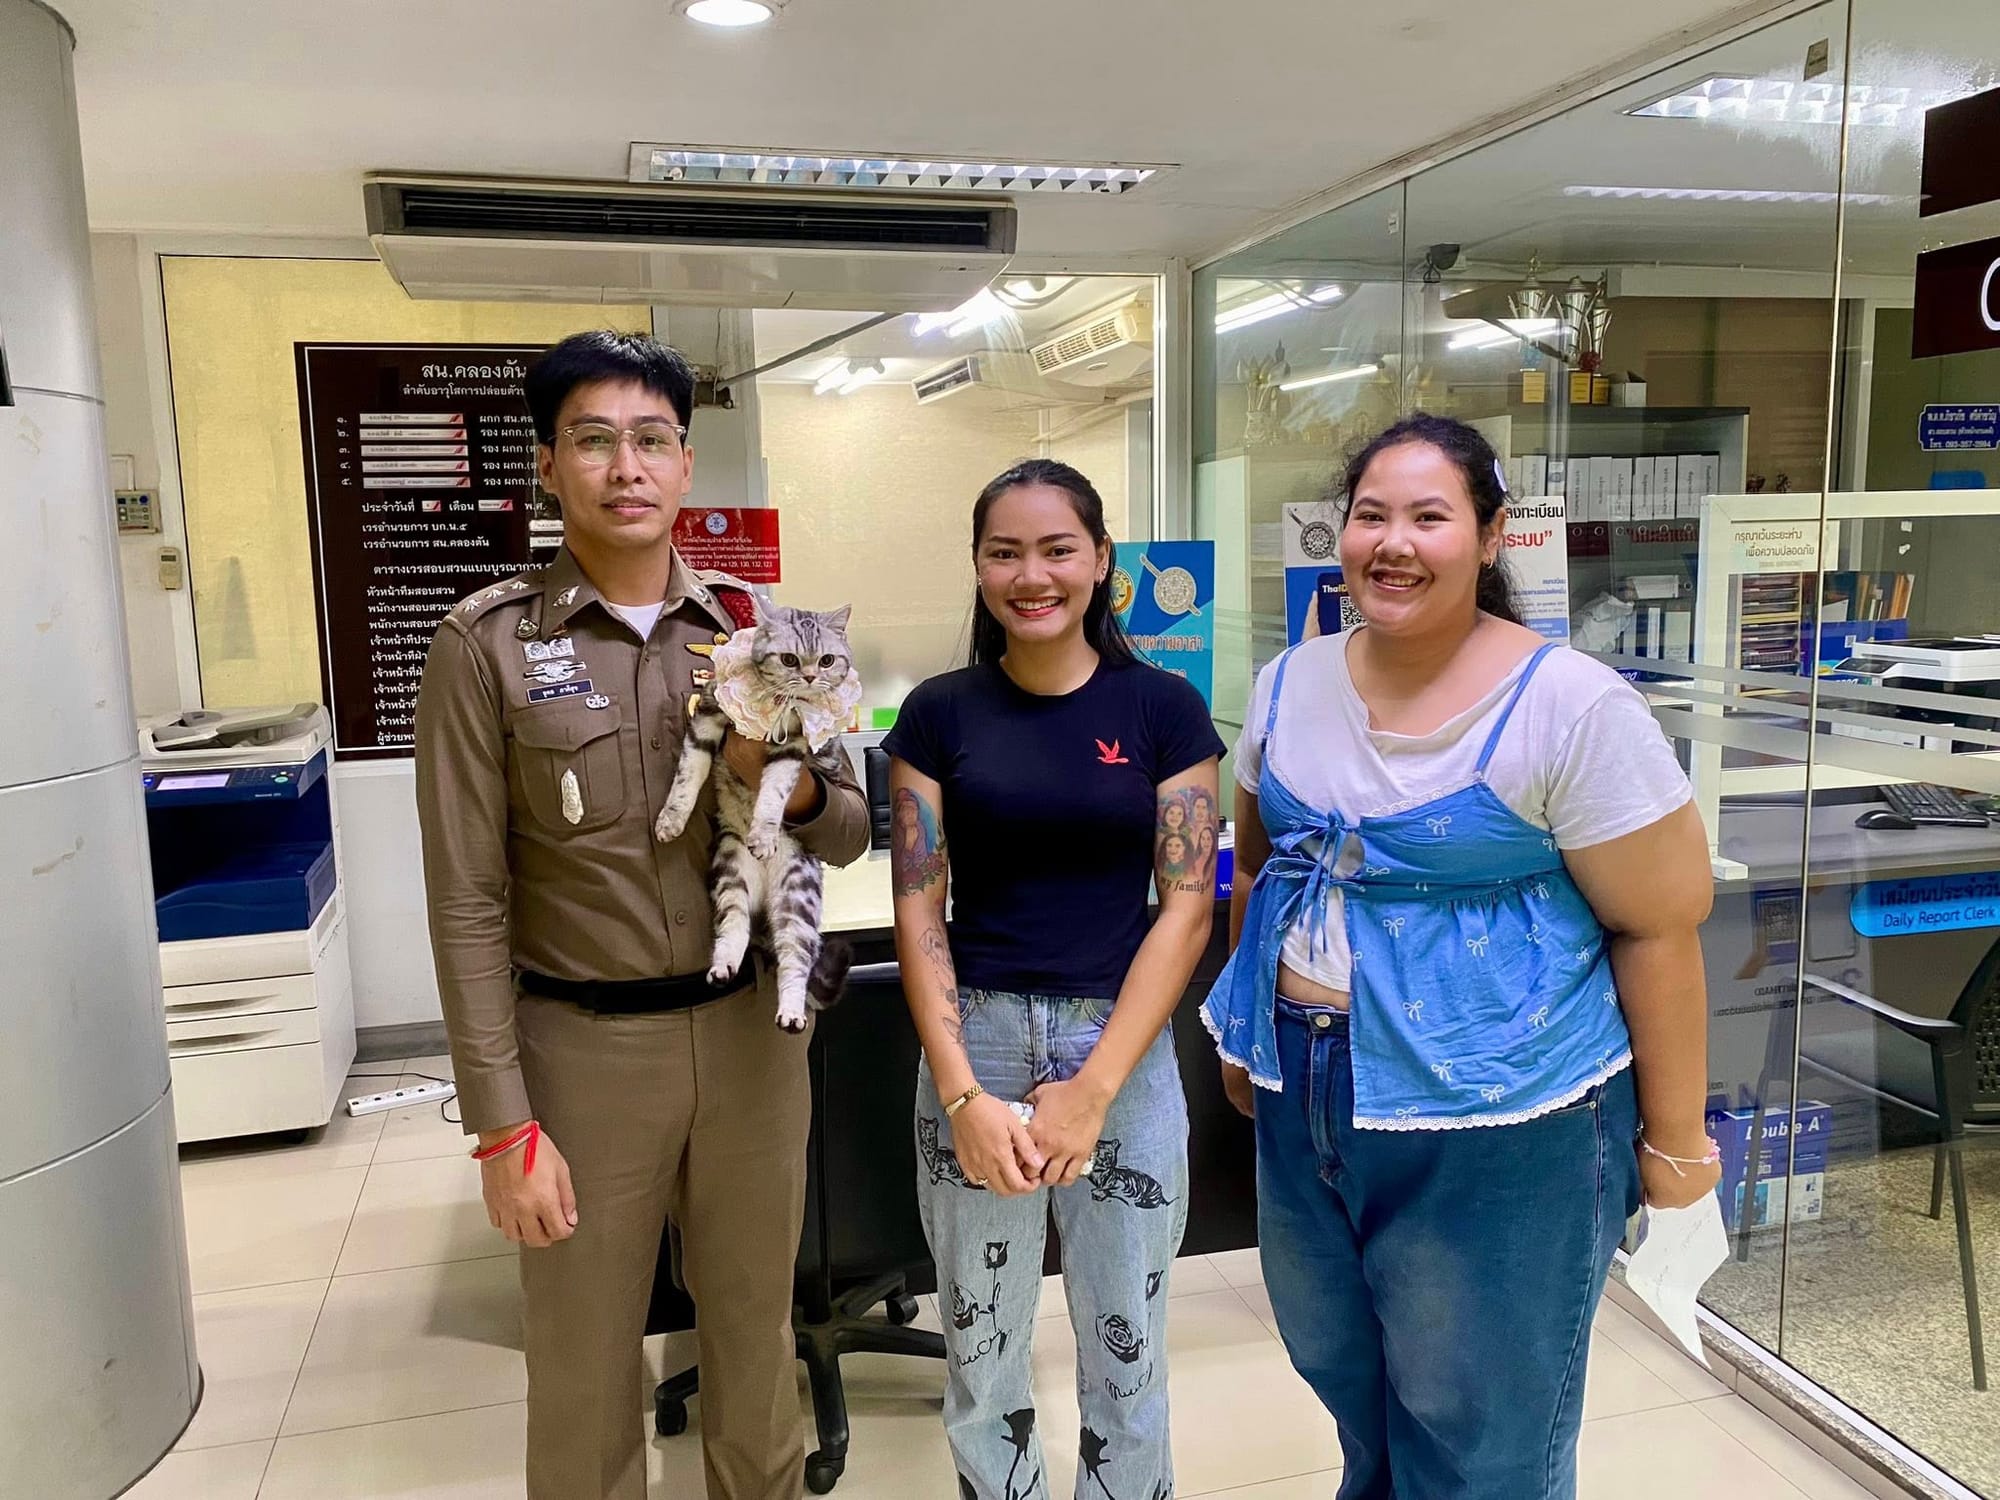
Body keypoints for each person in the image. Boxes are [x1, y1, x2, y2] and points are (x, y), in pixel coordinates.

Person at [1204, 413, 1720, 1500]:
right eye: (1368, 515)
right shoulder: (1288, 685)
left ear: (1487, 539)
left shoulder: (1568, 706)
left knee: (1479, 1430)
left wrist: (1674, 1147)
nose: (1392, 542)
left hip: (1501, 1113)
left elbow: (1659, 923)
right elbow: (1258, 870)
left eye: (1428, 517)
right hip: (1310, 1087)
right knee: (1346, 1375)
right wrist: (1248, 1043)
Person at [414, 330, 869, 1500]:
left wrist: (796, 773)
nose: (627, 465)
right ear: (548, 466)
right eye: (594, 439)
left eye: (652, 440)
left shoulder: (755, 633)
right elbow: (467, 900)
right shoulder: (486, 648)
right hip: (580, 1055)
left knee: (755, 1348)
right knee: (580, 1370)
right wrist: (500, 1124)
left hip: (747, 1047)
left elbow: (850, 830)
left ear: (683, 463)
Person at [884, 459, 1223, 1500]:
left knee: (1127, 1350)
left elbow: (1186, 905)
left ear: (1100, 564)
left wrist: (1094, 1089)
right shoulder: (937, 714)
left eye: (1055, 548)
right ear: (979, 569)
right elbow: (917, 905)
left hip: (1116, 1050)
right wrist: (959, 1094)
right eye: (1003, 552)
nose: (1030, 574)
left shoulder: (1163, 708)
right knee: (981, 1356)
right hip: (974, 1043)